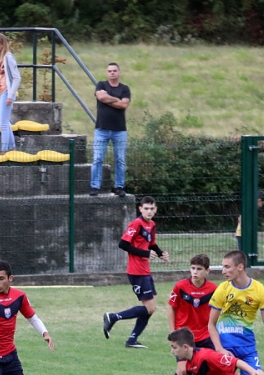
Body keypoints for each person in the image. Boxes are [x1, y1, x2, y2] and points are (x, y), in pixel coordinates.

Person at [207, 250, 264, 375]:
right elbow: (211, 324)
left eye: (227, 267)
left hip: (247, 348)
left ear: (240, 267)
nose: (223, 271)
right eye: (223, 267)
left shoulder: (259, 290)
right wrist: (219, 349)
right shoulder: (223, 289)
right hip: (226, 348)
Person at [154, 255, 217, 375]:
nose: (195, 272)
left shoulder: (214, 289)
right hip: (184, 338)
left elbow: (219, 311)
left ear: (207, 271)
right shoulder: (180, 286)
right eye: (193, 268)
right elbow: (171, 307)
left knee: (211, 371)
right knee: (182, 370)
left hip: (205, 337)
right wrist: (173, 333)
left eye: (199, 269)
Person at [103, 196, 169, 348]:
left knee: (150, 309)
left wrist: (161, 254)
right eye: (146, 208)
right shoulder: (136, 223)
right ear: (140, 209)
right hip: (136, 271)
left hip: (145, 270)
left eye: (151, 209)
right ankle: (113, 317)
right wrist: (144, 253)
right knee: (150, 308)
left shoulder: (152, 225)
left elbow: (151, 244)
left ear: (155, 209)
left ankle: (132, 340)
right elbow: (123, 244)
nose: (149, 211)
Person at [89, 62, 131, 197]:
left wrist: (109, 99)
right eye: (109, 71)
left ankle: (119, 187)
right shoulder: (101, 85)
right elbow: (101, 97)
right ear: (107, 73)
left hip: (119, 130)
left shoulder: (125, 88)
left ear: (119, 72)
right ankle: (95, 187)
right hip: (101, 129)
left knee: (120, 159)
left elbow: (124, 105)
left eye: (114, 70)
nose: (112, 73)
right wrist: (117, 100)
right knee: (97, 158)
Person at [0, 33, 21, 154]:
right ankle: (12, 148)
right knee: (5, 123)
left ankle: (4, 150)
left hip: (6, 93)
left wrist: (10, 96)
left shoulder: (8, 58)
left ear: (2, 44)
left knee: (3, 124)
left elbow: (17, 77)